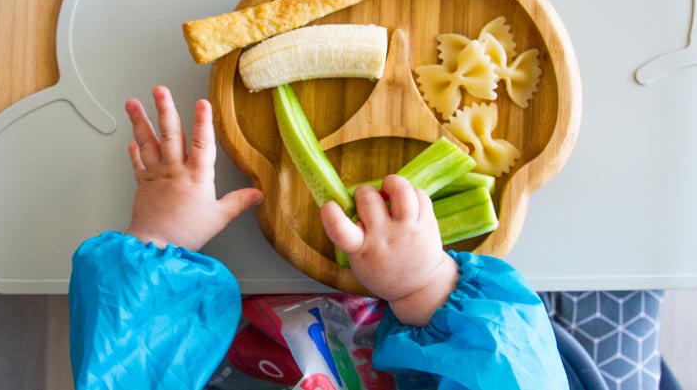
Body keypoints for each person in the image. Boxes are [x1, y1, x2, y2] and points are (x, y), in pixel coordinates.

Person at [69, 86, 569, 389]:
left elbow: (124, 370)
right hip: (444, 340)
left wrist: (158, 240)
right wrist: (425, 284)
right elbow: (511, 372)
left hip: (215, 338)